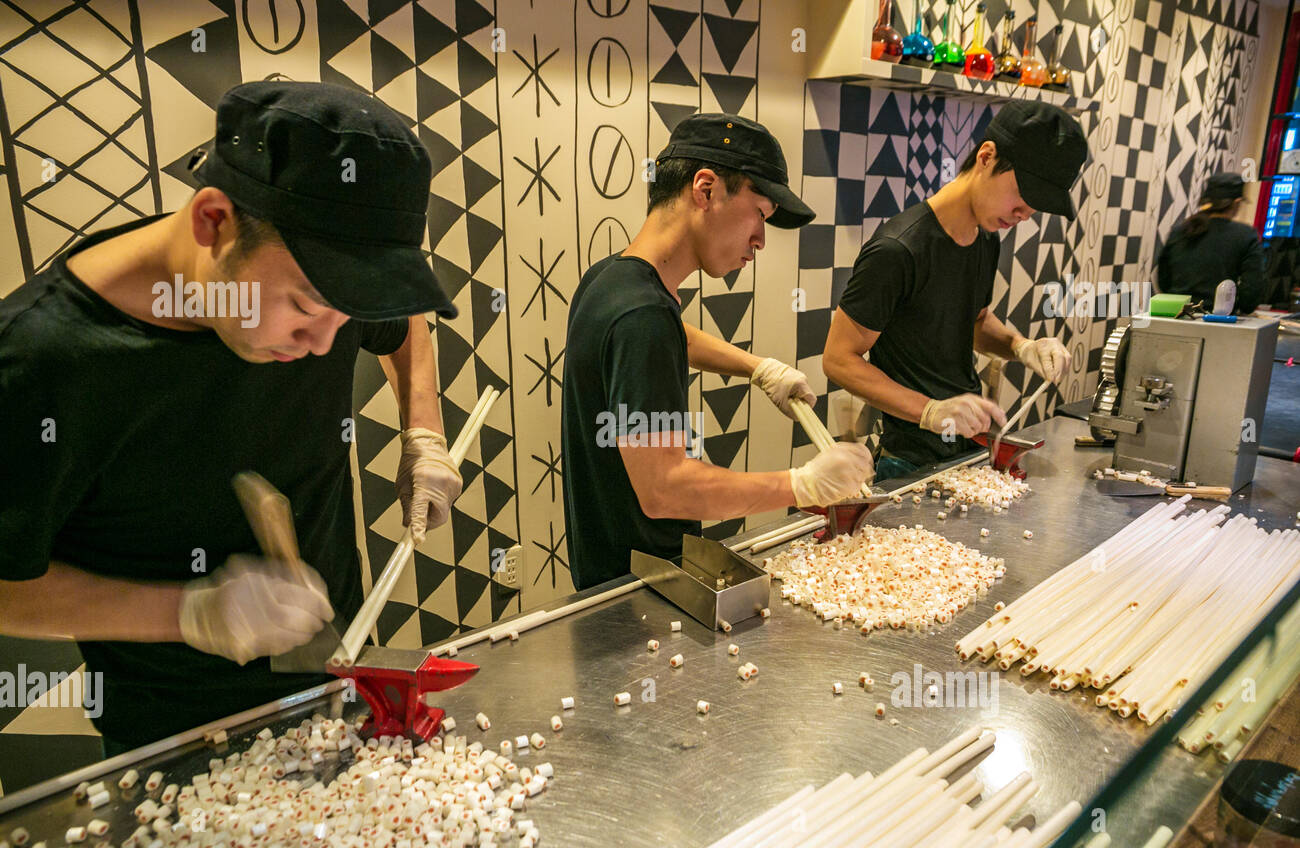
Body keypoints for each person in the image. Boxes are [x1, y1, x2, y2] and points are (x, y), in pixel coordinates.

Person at [0, 82, 463, 754]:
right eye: (305, 307)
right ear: (212, 221)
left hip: (335, 686)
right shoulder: (41, 358)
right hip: (177, 740)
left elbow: (403, 324)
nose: (325, 343)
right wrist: (188, 614)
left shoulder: (326, 289)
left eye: (348, 313)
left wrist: (425, 434)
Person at [561, 113, 875, 589]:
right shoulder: (641, 317)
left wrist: (757, 368)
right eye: (760, 214)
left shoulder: (612, 280)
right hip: (635, 596)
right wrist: (800, 484)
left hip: (608, 570)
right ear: (705, 190)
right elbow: (665, 489)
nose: (761, 240)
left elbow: (672, 335)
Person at [824, 101, 1087, 479]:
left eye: (1036, 206)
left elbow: (975, 321)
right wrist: (931, 411)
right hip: (909, 460)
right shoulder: (899, 249)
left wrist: (1021, 346)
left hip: (967, 451)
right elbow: (838, 359)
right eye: (1023, 195)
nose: (1025, 213)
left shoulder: (984, 236)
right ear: (986, 156)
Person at [1157, 172, 1265, 314]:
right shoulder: (1245, 235)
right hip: (1217, 323)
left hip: (1173, 316)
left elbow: (1163, 279)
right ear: (1237, 202)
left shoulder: (1181, 230)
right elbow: (1252, 290)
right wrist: (1238, 306)